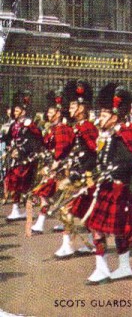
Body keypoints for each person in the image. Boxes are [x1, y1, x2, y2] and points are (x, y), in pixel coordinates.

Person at [85, 83, 132, 284]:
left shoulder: (126, 133)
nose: (99, 119)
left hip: (119, 189)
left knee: (103, 227)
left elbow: (130, 163)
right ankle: (121, 267)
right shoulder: (108, 134)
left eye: (103, 115)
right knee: (109, 228)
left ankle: (108, 269)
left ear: (115, 116)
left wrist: (112, 176)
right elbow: (100, 159)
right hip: (107, 187)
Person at [53, 80, 98, 258]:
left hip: (85, 176)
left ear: (82, 108)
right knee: (76, 210)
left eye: (73, 105)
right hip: (77, 174)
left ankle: (69, 244)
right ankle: (80, 243)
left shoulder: (87, 127)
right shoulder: (77, 127)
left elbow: (95, 152)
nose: (70, 108)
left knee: (69, 209)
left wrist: (84, 172)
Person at [30, 90, 75, 234]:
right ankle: (61, 222)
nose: (48, 114)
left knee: (46, 194)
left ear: (58, 113)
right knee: (57, 198)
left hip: (60, 169)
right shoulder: (53, 128)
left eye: (50, 112)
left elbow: (61, 150)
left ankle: (41, 224)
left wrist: (54, 165)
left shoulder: (61, 128)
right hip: (53, 167)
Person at [2, 90, 43, 221]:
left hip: (26, 158)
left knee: (23, 183)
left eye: (18, 110)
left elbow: (35, 140)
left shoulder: (29, 124)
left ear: (23, 112)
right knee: (12, 181)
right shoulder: (14, 124)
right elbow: (9, 138)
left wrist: (21, 151)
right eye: (15, 110)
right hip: (14, 157)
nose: (15, 112)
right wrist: (9, 147)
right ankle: (15, 209)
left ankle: (26, 209)